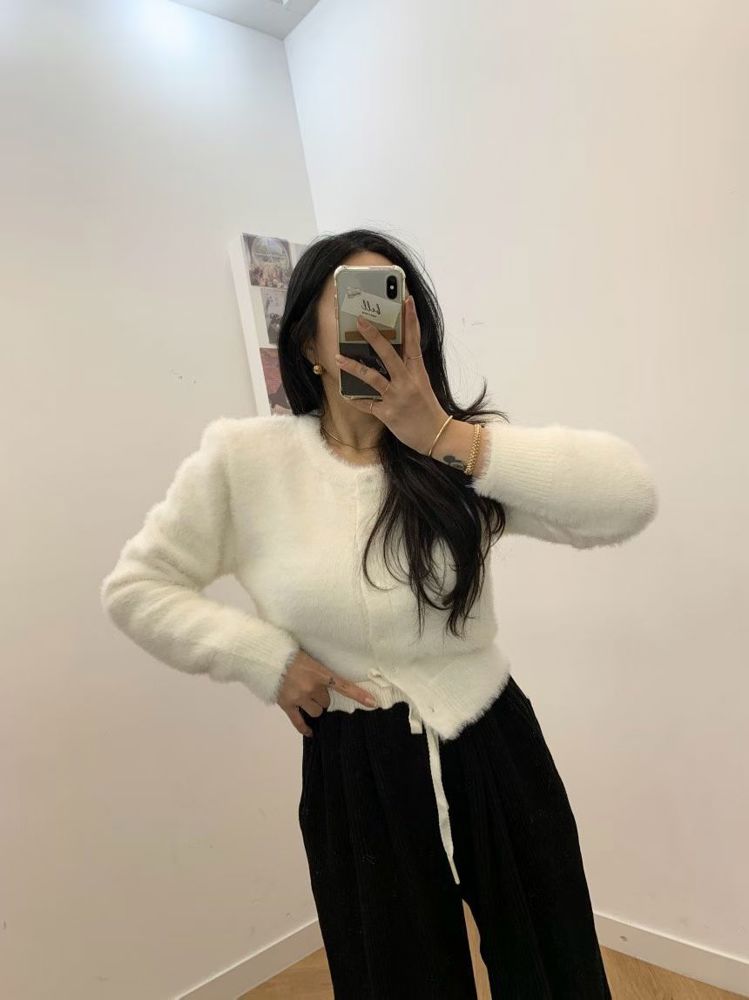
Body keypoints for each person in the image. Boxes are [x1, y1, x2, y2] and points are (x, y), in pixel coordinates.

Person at [101, 228, 659, 999]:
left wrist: (443, 435)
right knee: (391, 980)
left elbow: (628, 499)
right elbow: (138, 586)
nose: (380, 321)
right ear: (307, 341)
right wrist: (266, 662)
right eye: (354, 301)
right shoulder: (245, 461)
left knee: (554, 964)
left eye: (395, 301)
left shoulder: (459, 453)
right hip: (353, 765)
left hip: (490, 739)